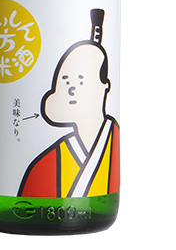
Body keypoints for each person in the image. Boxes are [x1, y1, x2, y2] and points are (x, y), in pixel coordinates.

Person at [18, 10, 120, 198]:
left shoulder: (115, 142)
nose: (72, 88)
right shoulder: (46, 163)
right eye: (65, 81)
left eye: (81, 80)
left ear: (105, 85)